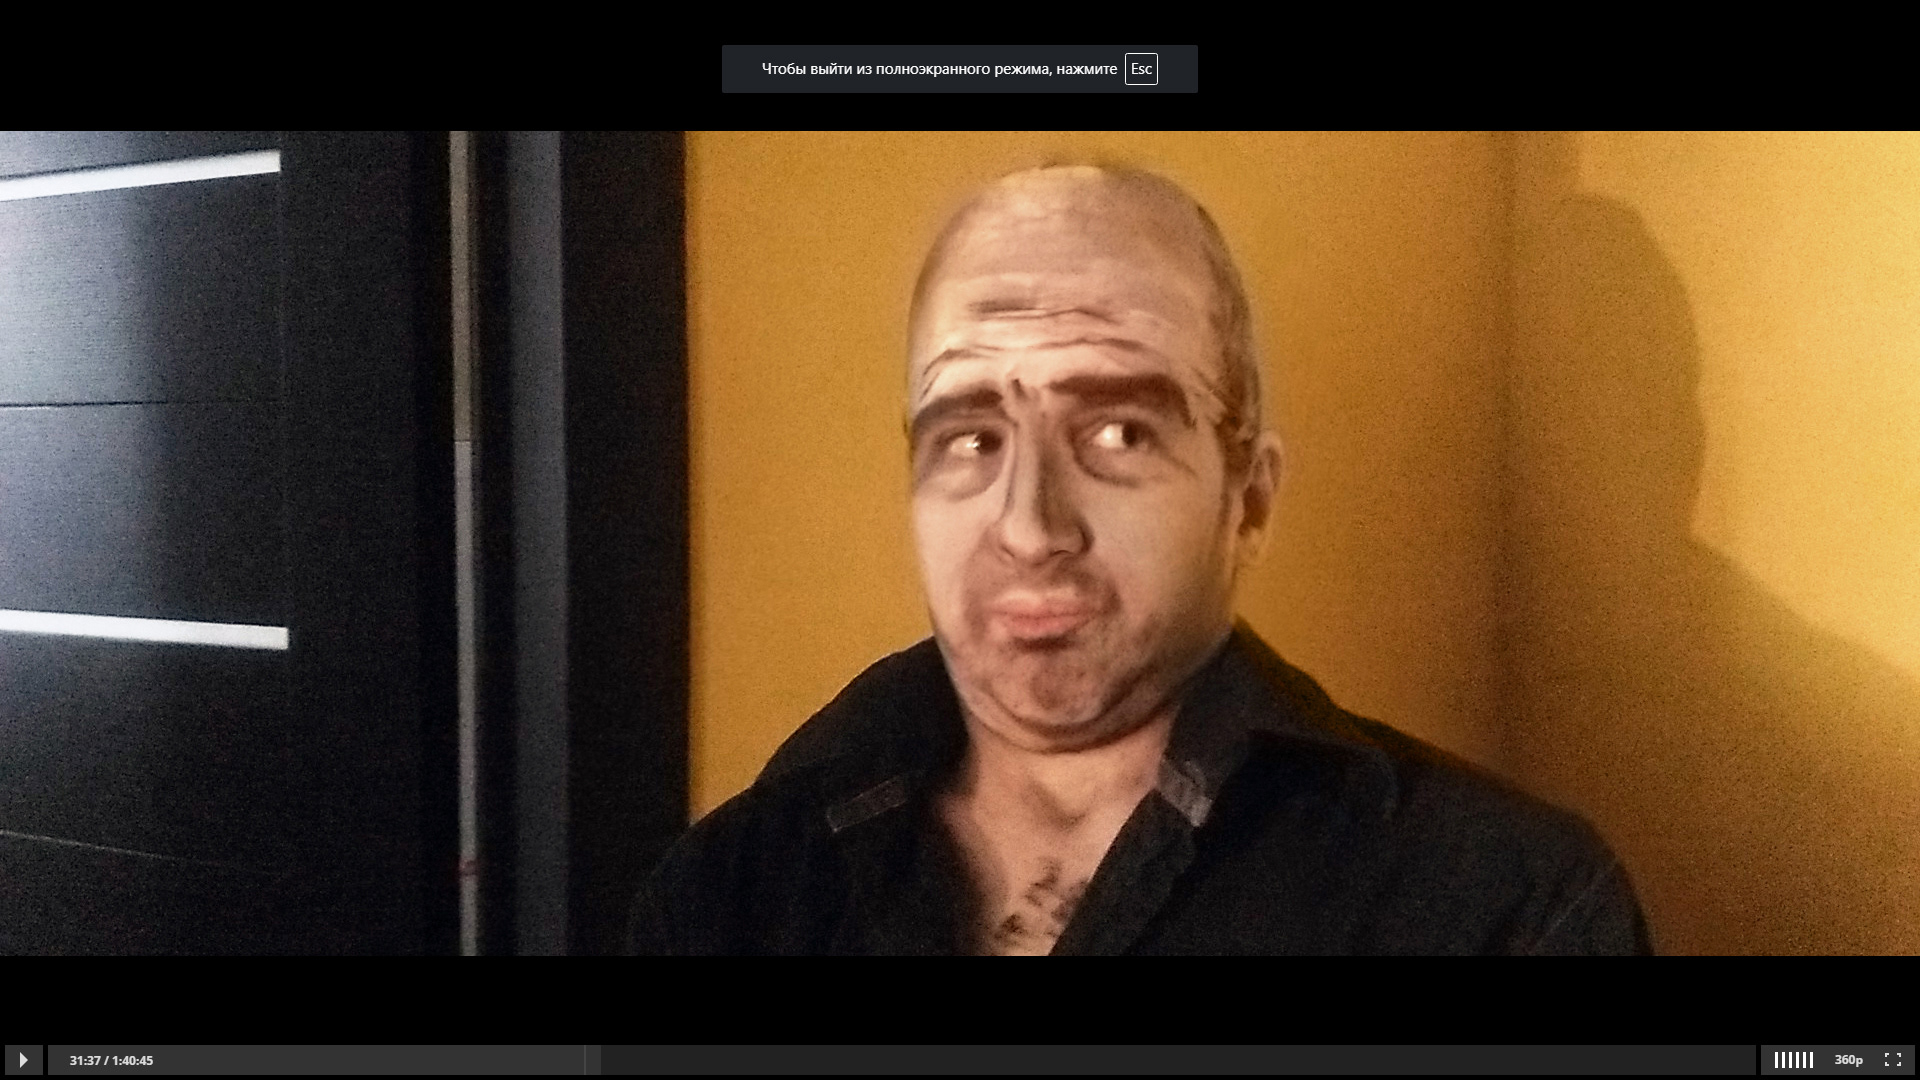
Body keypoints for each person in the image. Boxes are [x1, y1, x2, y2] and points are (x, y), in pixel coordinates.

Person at [630, 164, 1652, 955]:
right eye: (971, 438)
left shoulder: (1502, 908)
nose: (1030, 526)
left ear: (1248, 497)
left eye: (1117, 432)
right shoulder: (731, 894)